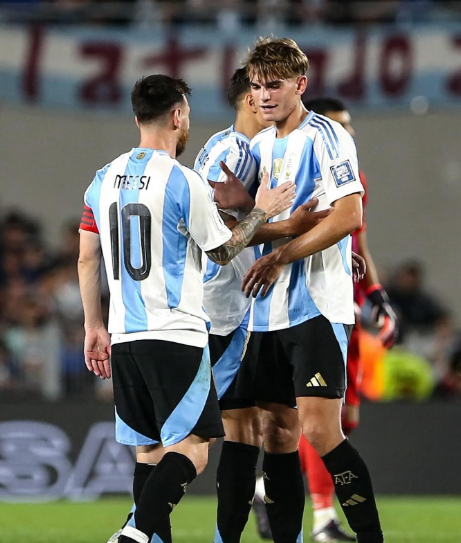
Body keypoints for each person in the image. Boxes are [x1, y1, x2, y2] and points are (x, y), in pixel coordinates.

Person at [77, 74, 295, 543]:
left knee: (149, 453)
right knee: (194, 450)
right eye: (188, 114)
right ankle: (133, 534)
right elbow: (223, 250)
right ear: (177, 116)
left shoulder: (102, 179)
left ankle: (145, 537)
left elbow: (86, 257)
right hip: (175, 333)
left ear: (138, 117)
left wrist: (94, 325)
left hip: (125, 335)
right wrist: (262, 209)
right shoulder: (182, 180)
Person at [239, 38, 384, 543]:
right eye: (257, 86)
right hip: (266, 311)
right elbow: (248, 227)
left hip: (316, 307)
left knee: (320, 431)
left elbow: (349, 215)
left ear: (300, 85)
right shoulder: (259, 145)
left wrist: (282, 254)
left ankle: (369, 537)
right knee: (277, 433)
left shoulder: (328, 136)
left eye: (274, 85)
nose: (264, 96)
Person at [196, 68, 331, 543]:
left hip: (256, 309)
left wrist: (319, 241)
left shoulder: (255, 149)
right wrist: (290, 226)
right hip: (230, 312)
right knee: (244, 430)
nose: (271, 99)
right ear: (251, 100)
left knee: (268, 428)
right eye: (262, 90)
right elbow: (219, 237)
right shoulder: (235, 151)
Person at [295, 97, 397, 542]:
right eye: (339, 126)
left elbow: (360, 242)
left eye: (349, 126)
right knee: (319, 419)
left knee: (343, 419)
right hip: (311, 309)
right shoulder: (300, 176)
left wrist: (376, 295)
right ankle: (322, 519)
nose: (348, 134)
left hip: (348, 309)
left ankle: (267, 488)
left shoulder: (354, 178)